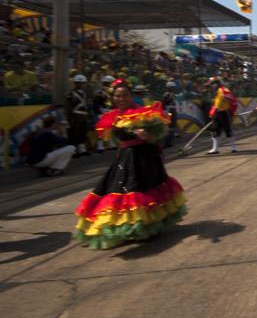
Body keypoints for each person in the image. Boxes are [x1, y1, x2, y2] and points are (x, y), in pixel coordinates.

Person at [73, 84, 186, 249]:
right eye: (117, 96)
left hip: (144, 157)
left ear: (131, 96)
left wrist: (146, 134)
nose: (121, 99)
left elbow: (158, 134)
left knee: (141, 191)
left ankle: (148, 227)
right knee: (116, 191)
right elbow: (116, 139)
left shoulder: (144, 113)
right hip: (125, 157)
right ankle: (126, 228)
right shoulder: (111, 116)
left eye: (124, 95)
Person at [207, 77, 238, 154]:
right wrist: (213, 112)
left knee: (228, 130)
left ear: (216, 83)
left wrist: (226, 99)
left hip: (224, 113)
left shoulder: (224, 90)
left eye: (212, 84)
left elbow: (232, 99)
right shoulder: (217, 92)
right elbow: (216, 104)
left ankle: (234, 148)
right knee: (215, 130)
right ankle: (215, 149)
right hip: (217, 114)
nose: (211, 86)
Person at [65, 74, 91, 157]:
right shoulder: (71, 94)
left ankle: (82, 150)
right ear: (75, 83)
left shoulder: (85, 93)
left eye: (82, 83)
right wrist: (69, 118)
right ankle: (73, 151)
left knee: (83, 133)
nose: (80, 85)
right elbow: (68, 106)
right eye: (78, 83)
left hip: (84, 116)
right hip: (75, 116)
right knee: (73, 134)